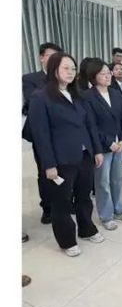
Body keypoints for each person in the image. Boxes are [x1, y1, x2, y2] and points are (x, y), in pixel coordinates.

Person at [28, 52, 105, 255]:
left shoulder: (78, 94)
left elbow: (90, 125)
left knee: (84, 196)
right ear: (54, 69)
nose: (71, 72)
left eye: (73, 68)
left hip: (84, 155)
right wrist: (49, 165)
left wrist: (97, 150)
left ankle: (87, 229)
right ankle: (67, 241)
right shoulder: (41, 97)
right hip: (61, 159)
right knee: (61, 203)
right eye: (66, 68)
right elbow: (41, 135)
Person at [79, 58, 122, 231]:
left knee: (119, 179)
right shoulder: (87, 96)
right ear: (93, 76)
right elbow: (91, 126)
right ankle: (106, 215)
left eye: (108, 73)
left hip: (120, 145)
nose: (108, 76)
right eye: (103, 73)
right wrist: (109, 143)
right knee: (102, 182)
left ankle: (119, 208)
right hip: (102, 147)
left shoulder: (115, 93)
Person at [22, 42, 62, 223]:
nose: (55, 60)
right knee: (45, 171)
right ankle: (47, 208)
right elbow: (33, 102)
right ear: (41, 58)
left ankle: (63, 203)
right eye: (50, 56)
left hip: (62, 133)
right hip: (41, 133)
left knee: (63, 169)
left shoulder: (65, 78)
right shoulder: (30, 79)